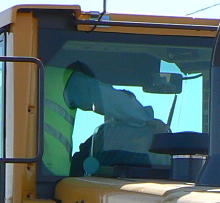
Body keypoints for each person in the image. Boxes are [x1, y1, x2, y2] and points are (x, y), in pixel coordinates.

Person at [42, 62, 170, 177]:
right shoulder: (59, 78)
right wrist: (148, 119)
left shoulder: (98, 140)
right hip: (45, 173)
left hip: (45, 173)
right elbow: (111, 100)